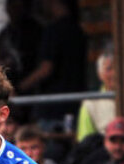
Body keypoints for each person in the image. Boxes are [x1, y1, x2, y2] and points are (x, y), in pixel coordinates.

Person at [17, 0, 87, 129]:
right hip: (75, 104)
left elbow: (46, 69)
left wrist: (19, 88)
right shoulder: (77, 29)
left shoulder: (53, 31)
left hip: (52, 108)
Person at [0, 0, 42, 95]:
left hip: (33, 93)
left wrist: (19, 88)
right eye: (12, 7)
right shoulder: (4, 35)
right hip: (10, 91)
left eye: (18, 7)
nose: (14, 11)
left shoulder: (36, 32)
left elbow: (43, 68)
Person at [75, 49, 116, 143]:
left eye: (118, 68)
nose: (114, 73)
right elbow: (85, 141)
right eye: (109, 69)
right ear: (100, 74)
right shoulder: (91, 103)